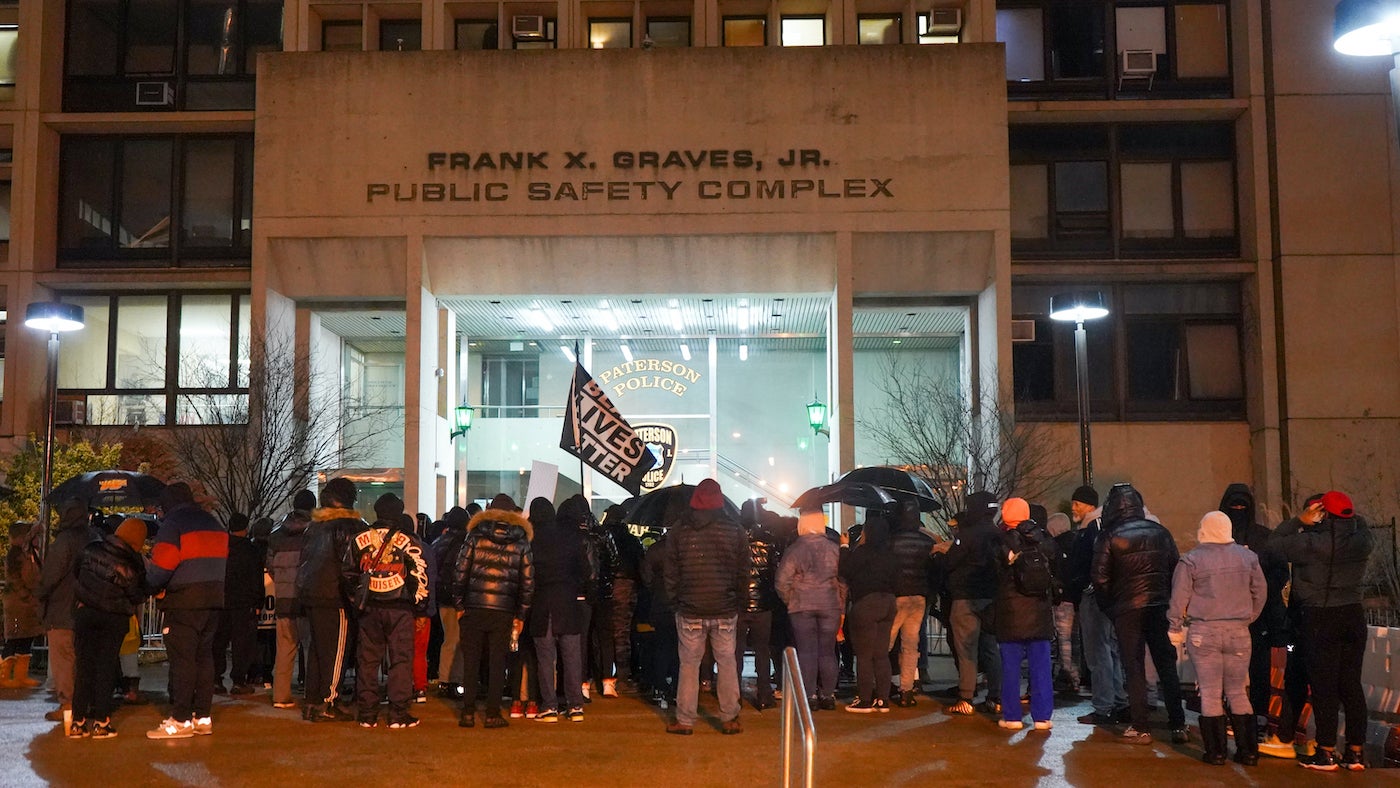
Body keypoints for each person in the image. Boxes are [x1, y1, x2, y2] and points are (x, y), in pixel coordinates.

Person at [1270, 491, 1373, 772]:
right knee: (1351, 686)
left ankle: (1325, 751)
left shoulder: (1309, 543)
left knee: (1324, 686)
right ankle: (1356, 752)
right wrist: (1342, 515)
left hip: (1319, 616)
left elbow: (1272, 546)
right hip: (1353, 614)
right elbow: (1359, 523)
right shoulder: (1362, 541)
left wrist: (1299, 520)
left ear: (1322, 512)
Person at [1166, 510, 1266, 765]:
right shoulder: (1248, 558)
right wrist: (1248, 618)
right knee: (1238, 690)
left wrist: (1174, 626)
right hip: (1239, 632)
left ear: (1203, 530)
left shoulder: (1191, 560)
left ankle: (1217, 752)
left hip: (1204, 632)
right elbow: (1260, 593)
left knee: (1210, 692)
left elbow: (1179, 598)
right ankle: (1248, 751)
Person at [1091, 483, 1187, 745]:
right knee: (1166, 664)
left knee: (1133, 666)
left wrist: (1110, 607)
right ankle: (1178, 723)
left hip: (1126, 608)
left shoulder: (1110, 535)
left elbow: (1100, 578)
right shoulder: (1161, 532)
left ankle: (1140, 725)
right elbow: (1175, 569)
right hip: (1157, 605)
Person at [662, 479, 749, 735]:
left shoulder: (679, 531)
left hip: (689, 608)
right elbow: (742, 573)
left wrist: (675, 600)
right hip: (725, 607)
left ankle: (685, 720)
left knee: (688, 664)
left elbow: (671, 573)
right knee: (726, 662)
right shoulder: (735, 530)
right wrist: (738, 602)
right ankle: (729, 717)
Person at [145, 482, 229, 740]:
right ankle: (202, 717)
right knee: (205, 658)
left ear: (167, 504)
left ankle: (180, 719)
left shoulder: (174, 525)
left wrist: (149, 582)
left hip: (183, 600)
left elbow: (161, 569)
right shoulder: (213, 522)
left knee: (183, 660)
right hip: (213, 598)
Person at [344, 494, 429, 729]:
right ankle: (398, 713)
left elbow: (348, 573)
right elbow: (419, 577)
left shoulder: (360, 538)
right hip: (400, 608)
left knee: (368, 661)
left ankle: (368, 713)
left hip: (370, 608)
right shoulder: (409, 540)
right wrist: (419, 607)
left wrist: (357, 600)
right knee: (400, 660)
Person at [452, 494, 534, 729]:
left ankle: (467, 712)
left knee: (471, 661)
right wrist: (521, 614)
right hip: (504, 610)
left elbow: (460, 573)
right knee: (498, 662)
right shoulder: (521, 541)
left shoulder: (475, 535)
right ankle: (492, 713)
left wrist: (459, 605)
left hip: (473, 607)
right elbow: (527, 582)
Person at [1216, 484, 1289, 733]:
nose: (1238, 511)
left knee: (1257, 667)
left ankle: (1257, 713)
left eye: (1241, 507)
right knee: (1229, 667)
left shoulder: (1264, 537)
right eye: (1233, 507)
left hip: (1258, 615)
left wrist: (1259, 589)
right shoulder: (1217, 538)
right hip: (1228, 614)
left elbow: (1281, 572)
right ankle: (1236, 712)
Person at [69, 518, 149, 739]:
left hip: (85, 613)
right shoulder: (133, 564)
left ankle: (78, 721)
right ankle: (102, 722)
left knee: (84, 666)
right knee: (106, 667)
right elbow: (137, 595)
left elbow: (77, 573)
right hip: (113, 618)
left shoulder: (91, 549)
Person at [297, 477, 363, 723]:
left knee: (317, 650)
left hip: (312, 593)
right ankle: (329, 701)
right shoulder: (347, 525)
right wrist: (356, 598)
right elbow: (349, 567)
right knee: (335, 651)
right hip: (334, 596)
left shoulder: (314, 526)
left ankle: (312, 701)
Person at [931, 491, 1002, 717]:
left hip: (965, 598)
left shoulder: (967, 535)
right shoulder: (998, 534)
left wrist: (939, 556)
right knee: (991, 649)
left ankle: (966, 697)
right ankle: (995, 697)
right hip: (992, 598)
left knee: (966, 650)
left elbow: (951, 562)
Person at [1064, 486, 1127, 727]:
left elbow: (1098, 560)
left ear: (1090, 505)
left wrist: (1089, 587)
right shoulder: (1098, 525)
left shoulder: (1094, 527)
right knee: (1109, 650)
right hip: (1104, 595)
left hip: (1096, 597)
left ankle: (1104, 706)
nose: (1073, 507)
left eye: (1078, 503)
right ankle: (1118, 702)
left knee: (1098, 652)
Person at [994, 498, 1057, 731]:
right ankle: (1042, 717)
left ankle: (1012, 716)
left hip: (1011, 612)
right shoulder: (1043, 538)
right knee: (1040, 667)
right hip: (1039, 610)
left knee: (1010, 668)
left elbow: (994, 572)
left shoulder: (1002, 539)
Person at [527, 497, 591, 722]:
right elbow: (585, 570)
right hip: (568, 602)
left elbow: (528, 576)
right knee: (572, 657)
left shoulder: (531, 539)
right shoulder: (570, 536)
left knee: (546, 659)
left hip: (542, 604)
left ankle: (550, 706)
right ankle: (575, 706)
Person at [36, 501, 98, 723]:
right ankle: (86, 702)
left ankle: (68, 704)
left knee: (63, 659)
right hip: (89, 607)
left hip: (62, 608)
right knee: (82, 658)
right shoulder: (94, 539)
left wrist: (40, 592)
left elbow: (50, 576)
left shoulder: (64, 541)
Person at [775, 508, 843, 711]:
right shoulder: (834, 549)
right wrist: (840, 601)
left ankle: (810, 695)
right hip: (830, 604)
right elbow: (843, 579)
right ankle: (828, 694)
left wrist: (790, 599)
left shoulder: (795, 549)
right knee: (827, 651)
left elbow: (781, 581)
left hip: (801, 605)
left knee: (806, 652)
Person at [839, 514, 898, 713]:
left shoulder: (862, 552)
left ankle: (864, 699)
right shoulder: (891, 553)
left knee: (864, 655)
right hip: (889, 603)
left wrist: (845, 547)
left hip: (866, 603)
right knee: (881, 654)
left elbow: (845, 570)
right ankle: (882, 699)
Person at [267, 490, 314, 709]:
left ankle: (280, 696)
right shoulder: (315, 533)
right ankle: (314, 695)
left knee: (284, 650)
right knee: (313, 650)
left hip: (284, 600)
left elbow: (271, 567)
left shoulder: (276, 535)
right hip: (308, 600)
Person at [737, 499, 782, 711]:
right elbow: (774, 571)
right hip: (763, 603)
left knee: (735, 651)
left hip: (738, 603)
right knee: (762, 650)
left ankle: (734, 694)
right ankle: (764, 693)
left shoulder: (734, 539)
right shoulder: (769, 540)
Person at [887, 501, 933, 707]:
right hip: (919, 597)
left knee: (885, 642)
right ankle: (907, 690)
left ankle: (880, 686)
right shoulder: (926, 541)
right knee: (910, 645)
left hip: (897, 597)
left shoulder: (891, 541)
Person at [213, 513, 263, 696]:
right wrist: (258, 601)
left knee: (218, 641)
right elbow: (256, 578)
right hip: (244, 603)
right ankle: (238, 680)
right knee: (242, 644)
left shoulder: (220, 547)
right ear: (245, 528)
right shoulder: (251, 550)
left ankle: (216, 680)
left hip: (222, 601)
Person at [430, 506, 471, 698]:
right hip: (457, 598)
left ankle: (445, 680)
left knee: (449, 639)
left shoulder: (438, 541)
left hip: (441, 597)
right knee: (457, 641)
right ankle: (453, 681)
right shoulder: (465, 542)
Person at [603, 504, 644, 692]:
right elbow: (641, 567)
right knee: (622, 633)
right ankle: (623, 677)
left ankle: (602, 676)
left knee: (601, 634)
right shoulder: (631, 541)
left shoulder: (601, 536)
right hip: (626, 587)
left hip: (604, 588)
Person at [2, 522, 44, 689]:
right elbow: (15, 580)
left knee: (26, 638)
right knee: (14, 637)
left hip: (28, 604)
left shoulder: (31, 555)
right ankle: (3, 675)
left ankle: (21, 675)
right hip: (18, 604)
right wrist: (27, 596)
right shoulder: (15, 555)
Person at [1044, 511, 1079, 694]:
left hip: (1063, 599)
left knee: (1063, 639)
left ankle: (1070, 675)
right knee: (1073, 639)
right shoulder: (1078, 541)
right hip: (1077, 598)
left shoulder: (1055, 547)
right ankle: (1072, 675)